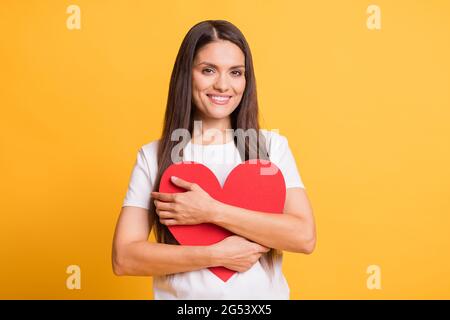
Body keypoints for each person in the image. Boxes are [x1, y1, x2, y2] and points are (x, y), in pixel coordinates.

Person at [112, 20, 316, 299]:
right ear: (187, 75)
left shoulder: (271, 147)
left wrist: (211, 211)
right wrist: (214, 255)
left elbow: (304, 237)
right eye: (208, 70)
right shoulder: (154, 156)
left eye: (236, 72)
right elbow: (124, 258)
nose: (223, 85)